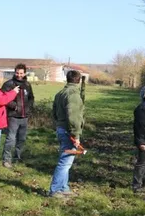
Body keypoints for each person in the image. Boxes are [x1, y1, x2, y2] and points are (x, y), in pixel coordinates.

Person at [49, 70, 85, 198]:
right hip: (68, 132)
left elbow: (53, 112)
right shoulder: (74, 95)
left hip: (61, 129)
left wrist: (58, 125)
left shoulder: (60, 93)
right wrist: (76, 135)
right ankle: (54, 190)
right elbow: (74, 117)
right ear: (79, 80)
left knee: (65, 160)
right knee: (65, 162)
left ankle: (64, 187)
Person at [0, 63, 35, 168]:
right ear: (14, 72)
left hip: (24, 116)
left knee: (22, 139)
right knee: (11, 139)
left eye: (21, 73)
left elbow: (31, 97)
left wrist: (29, 107)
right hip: (13, 116)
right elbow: (3, 98)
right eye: (17, 73)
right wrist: (13, 106)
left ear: (24, 73)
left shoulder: (27, 85)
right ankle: (6, 159)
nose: (19, 75)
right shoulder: (8, 84)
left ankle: (17, 158)